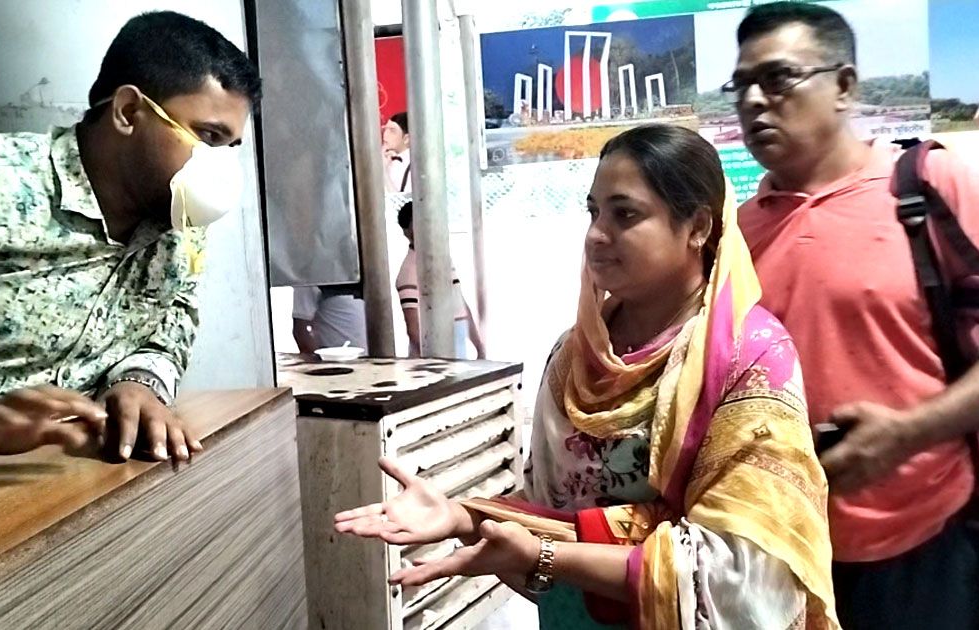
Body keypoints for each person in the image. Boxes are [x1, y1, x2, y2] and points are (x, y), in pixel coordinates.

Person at [338, 125, 837, 629]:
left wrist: (545, 555)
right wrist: (463, 516)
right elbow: (547, 513)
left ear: (698, 227)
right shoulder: (574, 357)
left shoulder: (751, 358)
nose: (597, 235)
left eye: (625, 214)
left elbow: (743, 570)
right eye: (593, 211)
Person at [0, 11, 262, 465]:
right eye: (208, 136)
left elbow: (170, 326)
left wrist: (138, 383)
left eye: (229, 146)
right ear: (128, 112)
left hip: (73, 477)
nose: (218, 166)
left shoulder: (179, 222)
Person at [729, 3, 979, 628]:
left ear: (844, 86)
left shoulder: (927, 186)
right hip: (783, 555)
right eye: (742, 85)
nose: (754, 101)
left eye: (778, 78)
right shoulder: (739, 232)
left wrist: (910, 432)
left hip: (926, 544)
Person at [395, 201, 485, 359]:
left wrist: (479, 347)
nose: (427, 227)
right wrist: (436, 365)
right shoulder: (409, 272)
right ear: (407, 232)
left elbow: (460, 305)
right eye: (419, 223)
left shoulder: (444, 260)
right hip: (433, 363)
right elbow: (414, 330)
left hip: (455, 357)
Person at [291, 284, 367, 353]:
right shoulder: (309, 281)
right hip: (333, 358)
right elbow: (301, 330)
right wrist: (318, 359)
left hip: (368, 357)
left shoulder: (366, 278)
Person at [382, 112, 412, 193]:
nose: (385, 135)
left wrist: (383, 171)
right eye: (385, 129)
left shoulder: (414, 166)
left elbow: (402, 200)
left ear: (406, 139)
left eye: (392, 131)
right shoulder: (385, 157)